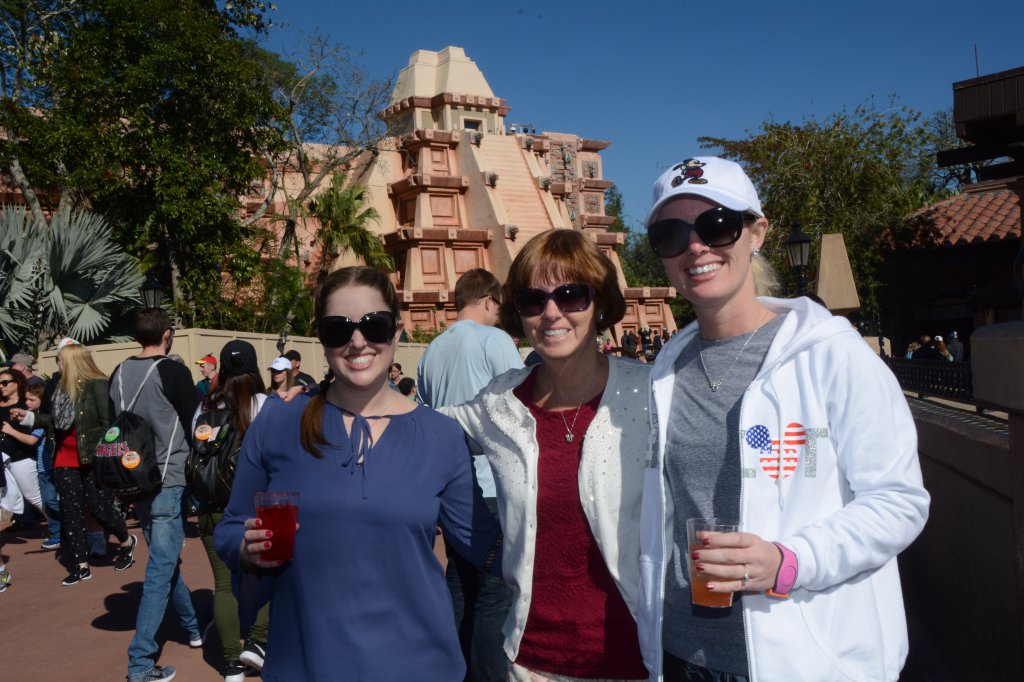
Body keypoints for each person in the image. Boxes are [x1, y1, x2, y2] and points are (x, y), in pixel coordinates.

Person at [639, 156, 930, 681]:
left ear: (757, 232)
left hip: (805, 653)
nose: (696, 247)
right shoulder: (662, 371)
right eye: (672, 234)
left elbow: (899, 501)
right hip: (683, 654)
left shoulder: (831, 355)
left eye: (717, 225)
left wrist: (788, 561)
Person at [214, 266, 502, 681]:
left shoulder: (441, 435)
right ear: (321, 337)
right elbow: (228, 529)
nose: (358, 341)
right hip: (307, 665)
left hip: (419, 665)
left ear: (397, 332)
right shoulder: (279, 422)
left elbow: (484, 546)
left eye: (375, 325)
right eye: (338, 329)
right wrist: (245, 546)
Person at [443, 230, 650, 680]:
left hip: (638, 660)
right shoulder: (499, 405)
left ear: (599, 304)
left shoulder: (648, 396)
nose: (552, 313)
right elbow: (419, 433)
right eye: (533, 300)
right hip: (532, 663)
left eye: (571, 295)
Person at [416, 267, 524, 682]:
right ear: (489, 299)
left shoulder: (431, 352)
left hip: (450, 488)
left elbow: (428, 415)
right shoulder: (494, 340)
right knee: (494, 592)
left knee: (461, 587)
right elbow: (520, 401)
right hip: (493, 483)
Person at [111, 308, 203, 682]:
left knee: (166, 561)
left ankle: (194, 626)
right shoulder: (173, 370)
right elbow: (196, 422)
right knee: (160, 568)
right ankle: (141, 662)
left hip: (134, 479)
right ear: (167, 333)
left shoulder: (118, 373)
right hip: (169, 476)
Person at [193, 341, 271, 682]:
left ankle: (230, 665)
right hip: (255, 504)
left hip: (211, 505)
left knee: (223, 585)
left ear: (220, 370)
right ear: (254, 370)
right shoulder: (264, 405)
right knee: (269, 574)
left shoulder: (205, 407)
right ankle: (258, 642)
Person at [38, 342, 137, 585]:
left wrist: (108, 457)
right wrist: (32, 418)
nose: (57, 364)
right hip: (63, 457)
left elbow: (108, 424)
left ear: (72, 361)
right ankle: (81, 566)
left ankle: (125, 540)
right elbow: (55, 421)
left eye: (60, 360)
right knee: (71, 512)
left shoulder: (98, 384)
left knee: (99, 507)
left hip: (91, 457)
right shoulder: (59, 388)